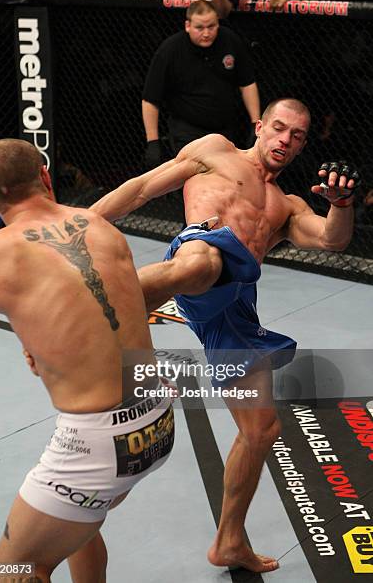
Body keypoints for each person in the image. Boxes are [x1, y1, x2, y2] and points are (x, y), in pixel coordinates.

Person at [91, 98, 359, 573]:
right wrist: (80, 226)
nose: (285, 141)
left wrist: (341, 203)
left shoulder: (287, 205)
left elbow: (332, 240)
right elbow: (140, 190)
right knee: (204, 260)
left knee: (261, 431)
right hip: (197, 258)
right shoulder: (215, 151)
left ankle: (229, 542)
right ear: (260, 126)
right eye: (279, 128)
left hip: (234, 306)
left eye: (297, 137)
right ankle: (85, 310)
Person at [0, 138, 175, 583]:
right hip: (157, 422)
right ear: (45, 176)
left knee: (15, 569)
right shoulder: (100, 227)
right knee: (80, 524)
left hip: (96, 445)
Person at [143, 0, 260, 170]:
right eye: (199, 28)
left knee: (228, 178)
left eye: (211, 26)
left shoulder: (230, 40)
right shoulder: (170, 50)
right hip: (187, 130)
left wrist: (254, 122)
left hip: (225, 128)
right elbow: (150, 98)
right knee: (195, 179)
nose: (206, 33)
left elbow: (247, 83)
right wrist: (152, 141)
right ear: (187, 25)